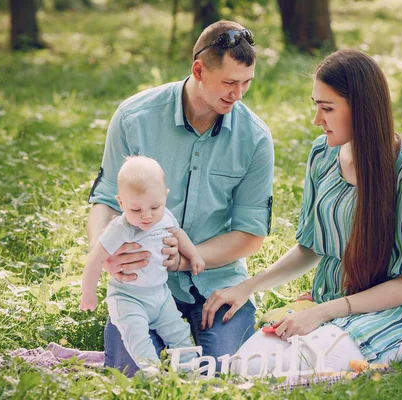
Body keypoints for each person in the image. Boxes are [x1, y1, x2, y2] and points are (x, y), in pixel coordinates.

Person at [201, 49, 402, 376]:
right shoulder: (322, 154)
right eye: (316, 105)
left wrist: (325, 313)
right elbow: (310, 247)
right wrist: (248, 287)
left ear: (363, 110)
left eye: (327, 108)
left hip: (383, 315)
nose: (317, 119)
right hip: (321, 306)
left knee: (303, 368)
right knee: (245, 366)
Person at [87, 21, 274, 376]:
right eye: (229, 83)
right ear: (199, 70)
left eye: (247, 83)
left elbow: (251, 235)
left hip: (218, 284)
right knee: (131, 373)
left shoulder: (255, 139)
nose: (238, 94)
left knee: (217, 373)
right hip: (140, 287)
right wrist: (107, 253)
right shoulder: (134, 118)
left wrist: (190, 259)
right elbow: (105, 201)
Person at [80, 156, 204, 370]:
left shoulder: (164, 216)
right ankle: (152, 374)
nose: (146, 216)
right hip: (128, 297)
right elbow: (95, 259)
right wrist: (88, 293)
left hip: (160, 295)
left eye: (154, 206)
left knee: (178, 332)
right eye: (136, 210)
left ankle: (189, 370)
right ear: (121, 203)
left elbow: (178, 233)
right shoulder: (120, 229)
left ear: (164, 197)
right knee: (137, 338)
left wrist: (194, 255)